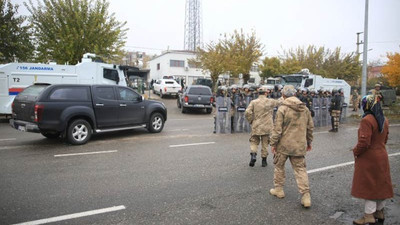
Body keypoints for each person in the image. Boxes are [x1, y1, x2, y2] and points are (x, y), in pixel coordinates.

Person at [269, 85, 314, 208]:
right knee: (300, 170)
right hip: (299, 145)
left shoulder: (282, 109)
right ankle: (306, 196)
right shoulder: (304, 109)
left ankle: (279, 190)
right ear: (295, 94)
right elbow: (310, 127)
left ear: (283, 95)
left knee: (279, 167)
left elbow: (277, 130)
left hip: (283, 145)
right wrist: (309, 142)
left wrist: (273, 144)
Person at [351, 95, 393, 225]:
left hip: (369, 158)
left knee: (369, 187)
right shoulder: (384, 119)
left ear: (367, 105)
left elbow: (364, 142)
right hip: (382, 154)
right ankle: (379, 212)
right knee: (381, 184)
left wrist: (355, 151)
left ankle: (368, 216)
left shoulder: (367, 120)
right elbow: (385, 138)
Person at [245, 86, 279, 167]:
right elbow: (280, 102)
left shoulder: (254, 102)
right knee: (265, 143)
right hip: (267, 125)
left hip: (256, 125)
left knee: (254, 141)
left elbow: (247, 112)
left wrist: (251, 120)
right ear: (266, 93)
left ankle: (253, 155)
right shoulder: (270, 101)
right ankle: (264, 160)